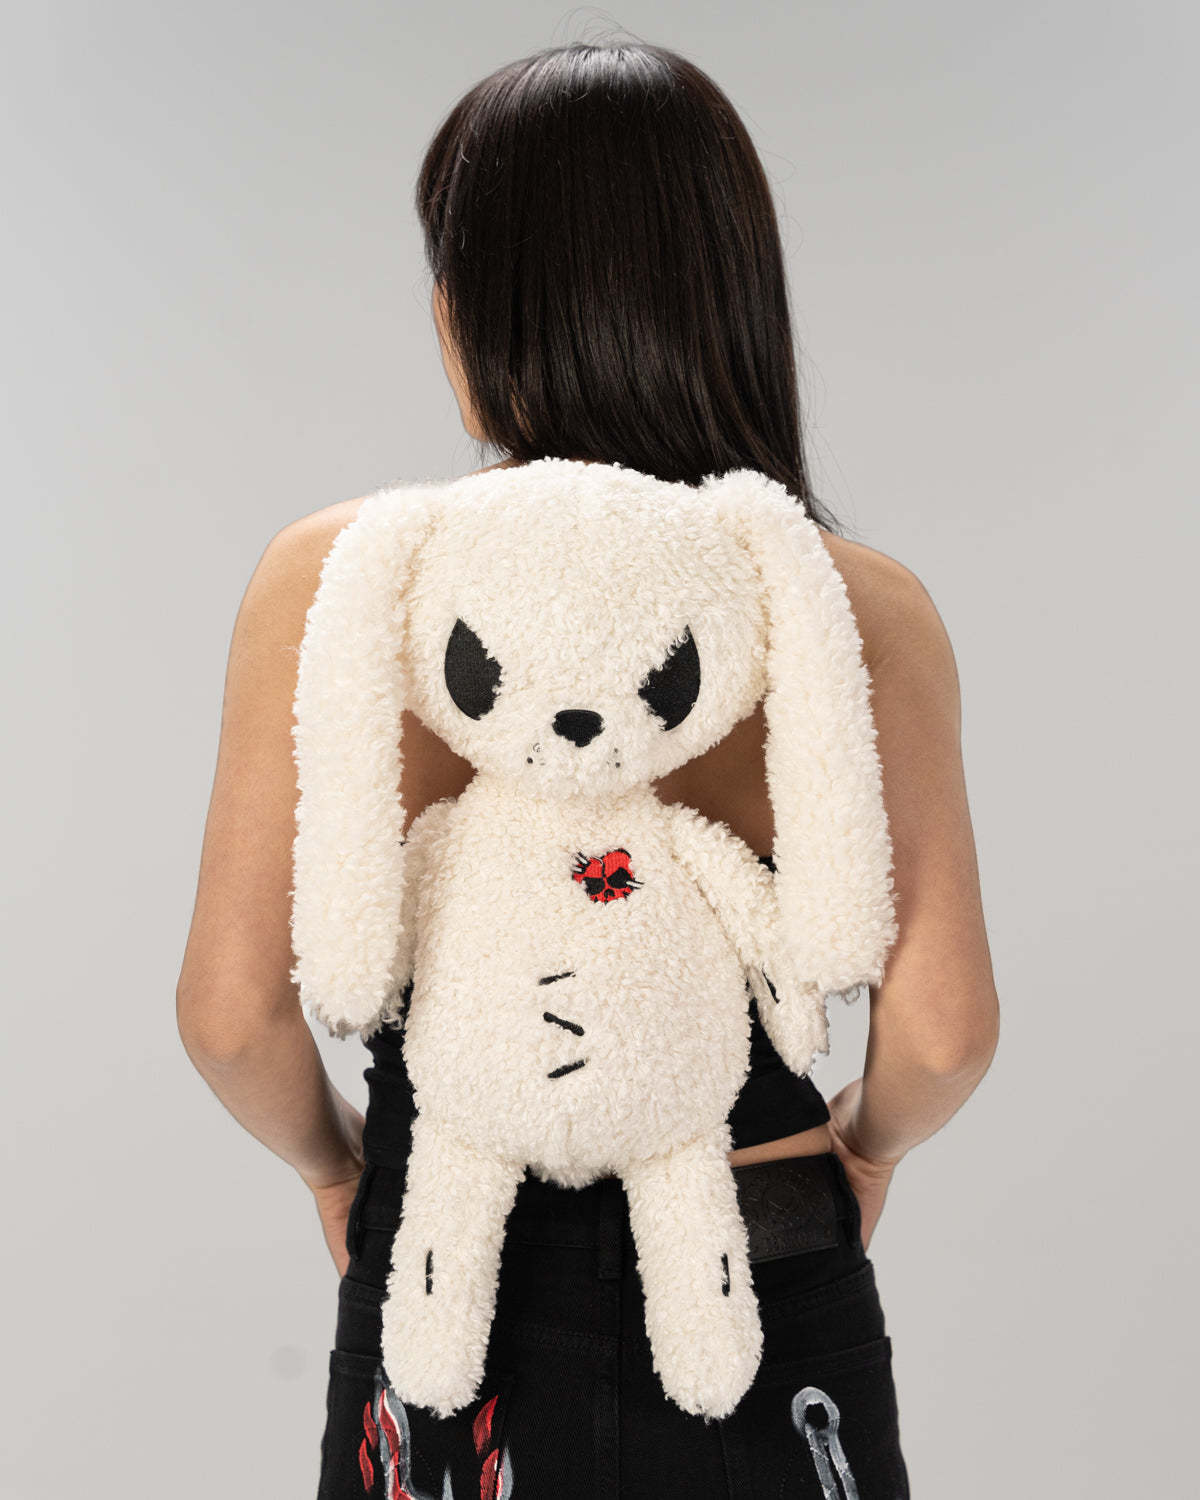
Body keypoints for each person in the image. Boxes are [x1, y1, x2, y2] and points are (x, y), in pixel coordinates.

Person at [176, 39, 999, 1499]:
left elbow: (232, 1017)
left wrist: (338, 1171)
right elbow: (941, 1035)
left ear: (469, 309)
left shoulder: (350, 581)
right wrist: (857, 1154)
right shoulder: (848, 605)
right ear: (732, 296)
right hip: (755, 1259)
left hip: (452, 1268)